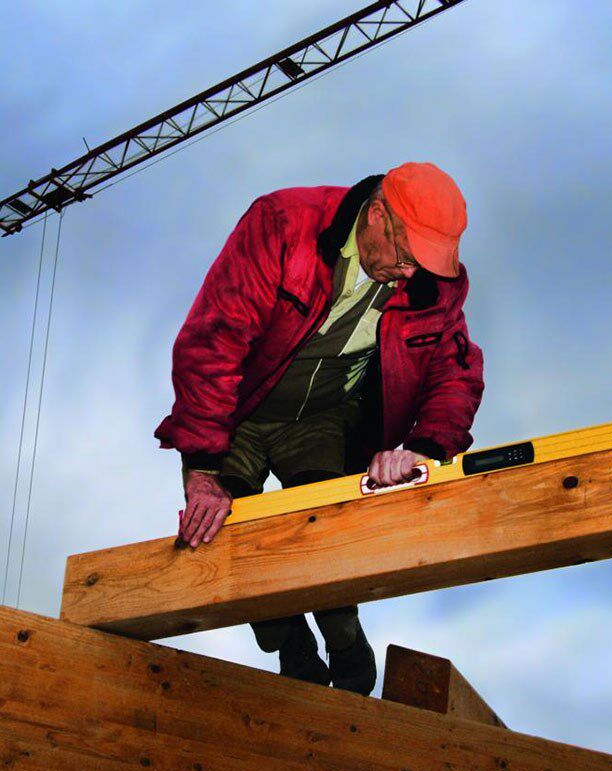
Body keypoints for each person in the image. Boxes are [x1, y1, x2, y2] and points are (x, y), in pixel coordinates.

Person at [155, 162, 484, 696]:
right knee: (233, 536)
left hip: (323, 419)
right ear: (376, 216)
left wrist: (422, 449)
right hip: (237, 413)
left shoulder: (432, 285)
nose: (409, 274)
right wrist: (203, 468)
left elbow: (456, 371)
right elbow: (212, 342)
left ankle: (345, 638)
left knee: (321, 532)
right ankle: (289, 644)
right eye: (406, 256)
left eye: (422, 263)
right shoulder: (282, 224)